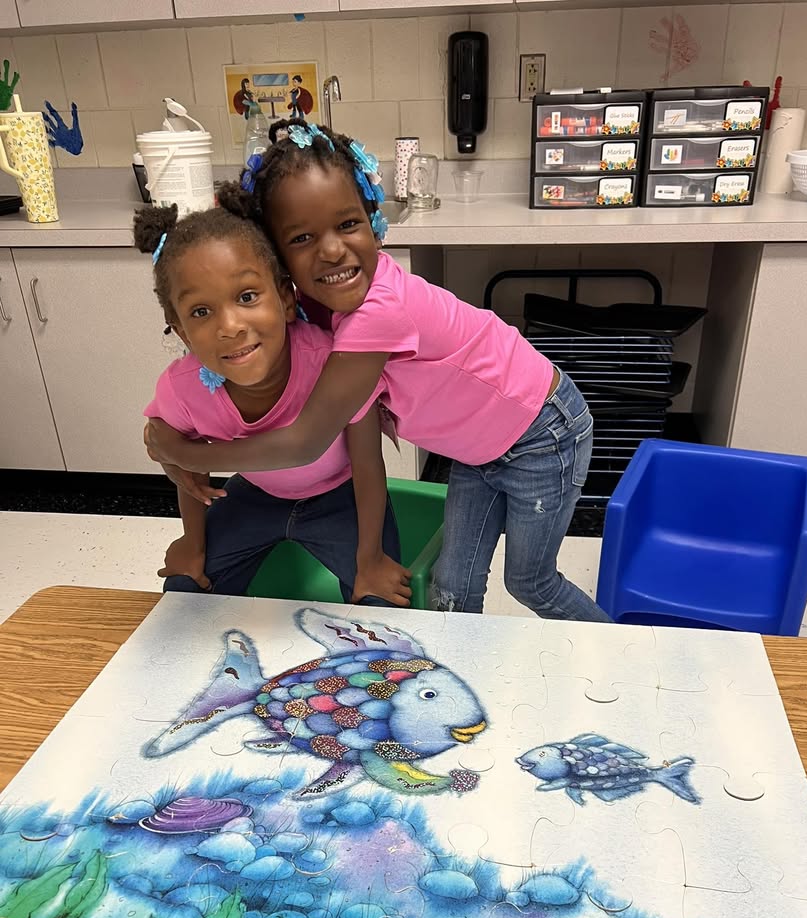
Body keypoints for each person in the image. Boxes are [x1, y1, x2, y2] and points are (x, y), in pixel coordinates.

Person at [144, 121, 611, 623]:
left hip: (541, 428)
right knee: (453, 585)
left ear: (373, 220)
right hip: (478, 448)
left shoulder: (379, 309)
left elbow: (304, 441)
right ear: (280, 262)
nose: (330, 251)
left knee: (530, 582)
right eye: (302, 237)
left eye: (348, 225)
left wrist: (180, 451)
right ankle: (459, 667)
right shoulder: (313, 306)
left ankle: (626, 657)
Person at [134, 201, 410, 606]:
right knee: (185, 590)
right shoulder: (184, 387)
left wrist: (369, 560)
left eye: (246, 296)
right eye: (201, 312)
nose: (229, 327)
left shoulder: (332, 364)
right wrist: (193, 541)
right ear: (182, 331)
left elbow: (368, 463)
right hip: (255, 496)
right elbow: (178, 455)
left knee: (382, 599)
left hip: (343, 496)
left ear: (284, 298)